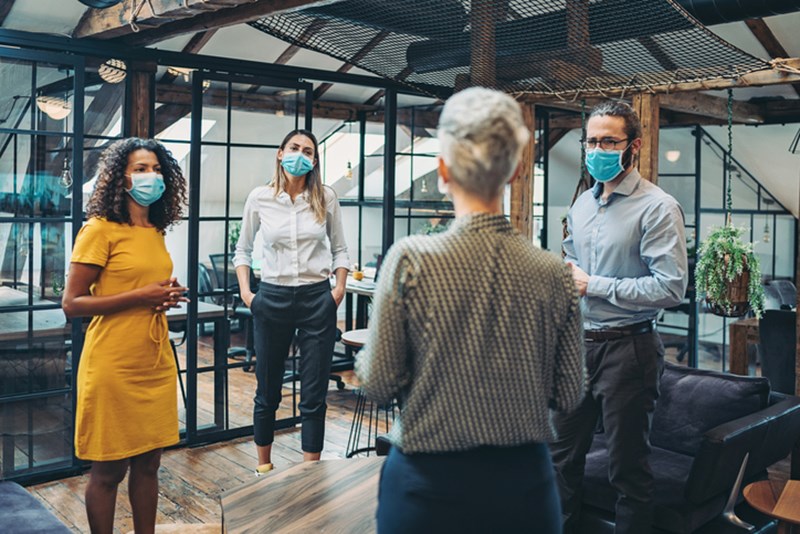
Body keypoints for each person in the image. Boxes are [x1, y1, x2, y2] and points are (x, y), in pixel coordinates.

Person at [355, 87, 586, 534]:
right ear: (517, 169)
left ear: (443, 171)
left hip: (426, 488)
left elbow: (378, 382)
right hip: (524, 490)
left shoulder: (411, 260)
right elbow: (570, 393)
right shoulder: (553, 272)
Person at [551, 101, 688, 534]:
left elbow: (670, 288)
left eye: (609, 141)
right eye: (591, 141)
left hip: (629, 350)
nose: (597, 149)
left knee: (627, 470)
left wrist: (595, 285)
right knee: (559, 460)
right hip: (577, 347)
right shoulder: (581, 206)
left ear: (634, 146)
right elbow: (573, 268)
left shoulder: (658, 208)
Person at [62, 138, 188, 534]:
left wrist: (162, 296)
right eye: (140, 169)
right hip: (113, 364)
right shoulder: (99, 230)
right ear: (121, 177)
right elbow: (72, 303)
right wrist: (141, 295)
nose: (150, 176)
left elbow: (139, 283)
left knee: (150, 463)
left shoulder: (154, 230)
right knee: (109, 468)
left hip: (154, 359)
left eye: (155, 169)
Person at [233, 129, 350, 473]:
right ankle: (264, 468)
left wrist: (337, 291)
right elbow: (243, 248)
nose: (301, 154)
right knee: (267, 391)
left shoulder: (326, 197)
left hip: (317, 299)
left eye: (308, 151)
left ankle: (309, 476)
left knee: (313, 395)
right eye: (294, 148)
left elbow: (341, 248)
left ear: (314, 161)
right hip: (272, 298)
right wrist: (247, 294)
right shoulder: (260, 198)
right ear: (280, 153)